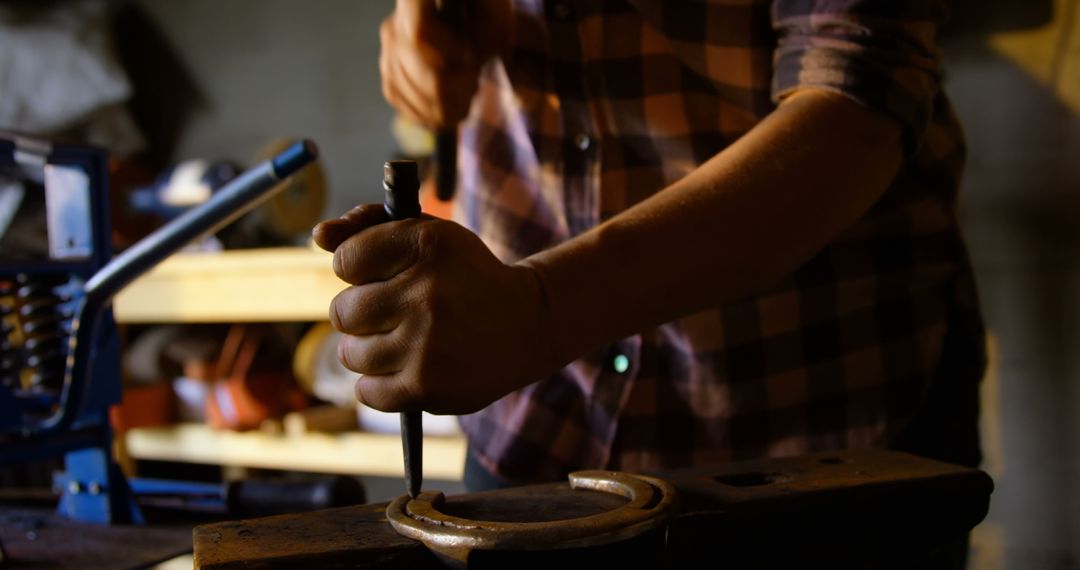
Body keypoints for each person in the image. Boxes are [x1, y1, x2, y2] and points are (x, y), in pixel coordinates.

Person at [313, 0, 986, 494]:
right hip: (540, 417)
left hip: (813, 410)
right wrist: (422, 23)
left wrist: (543, 310)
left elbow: (857, 99)